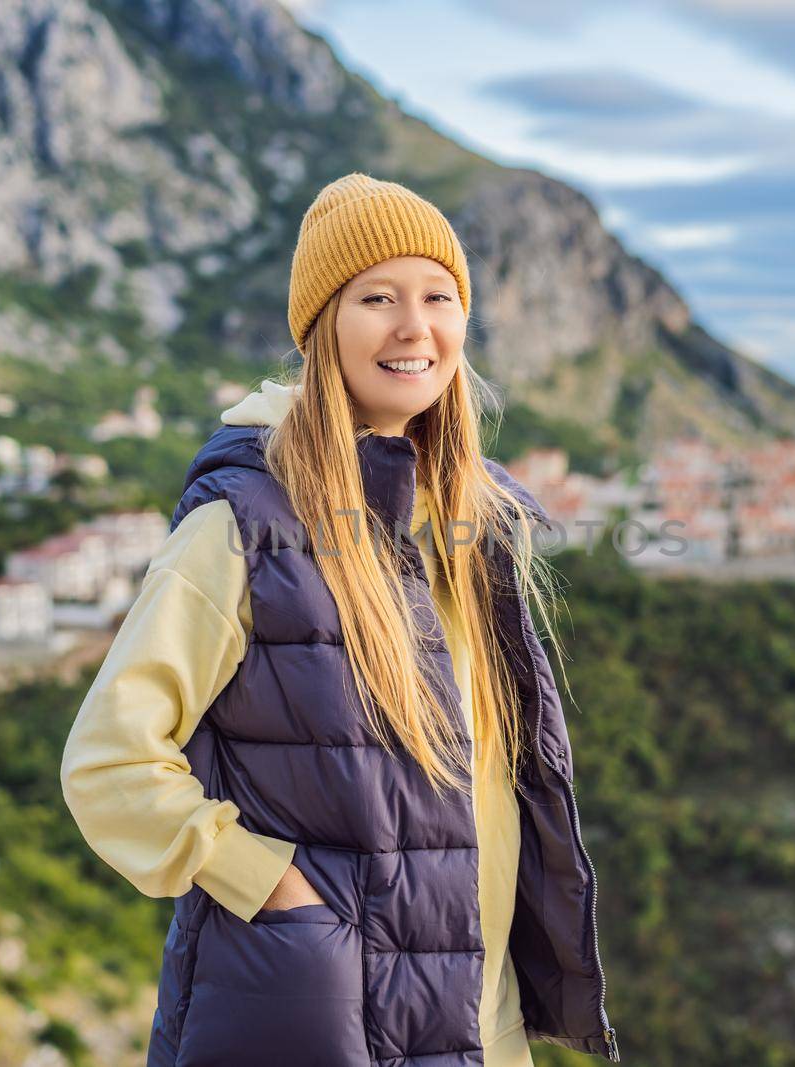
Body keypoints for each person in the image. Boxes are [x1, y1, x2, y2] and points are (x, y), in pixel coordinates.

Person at [61, 172, 618, 1066]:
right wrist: (271, 883)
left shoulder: (472, 530)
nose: (413, 326)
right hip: (313, 1016)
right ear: (324, 327)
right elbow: (108, 763)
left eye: (438, 296)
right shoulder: (243, 527)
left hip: (476, 1029)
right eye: (377, 297)